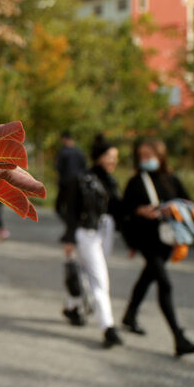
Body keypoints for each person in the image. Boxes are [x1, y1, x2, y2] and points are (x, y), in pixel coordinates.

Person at [119, 138, 194, 357]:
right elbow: (124, 210)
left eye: (149, 155)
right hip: (147, 240)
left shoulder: (171, 179)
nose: (145, 159)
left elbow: (188, 204)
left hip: (168, 240)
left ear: (161, 155)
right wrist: (140, 211)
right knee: (164, 283)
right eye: (142, 156)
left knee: (147, 278)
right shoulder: (136, 181)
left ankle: (130, 314)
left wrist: (172, 210)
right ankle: (178, 337)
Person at [59, 134, 123, 348]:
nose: (112, 161)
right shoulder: (82, 179)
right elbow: (70, 210)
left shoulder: (111, 181)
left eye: (115, 157)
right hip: (86, 233)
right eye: (109, 156)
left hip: (105, 232)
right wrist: (69, 238)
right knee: (99, 280)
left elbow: (118, 211)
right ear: (98, 157)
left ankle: (72, 306)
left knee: (86, 273)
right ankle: (108, 327)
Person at [54, 131, 87, 219]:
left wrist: (58, 180)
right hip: (78, 182)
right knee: (73, 206)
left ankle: (69, 222)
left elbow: (58, 168)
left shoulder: (63, 152)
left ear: (64, 139)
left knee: (59, 206)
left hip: (65, 182)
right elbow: (85, 168)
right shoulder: (80, 152)